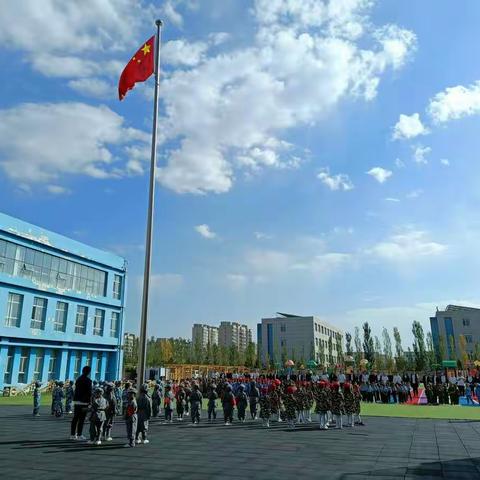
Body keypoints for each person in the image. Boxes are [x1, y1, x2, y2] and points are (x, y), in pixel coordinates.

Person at [70, 366, 93, 441]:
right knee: (81, 419)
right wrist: (90, 402)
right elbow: (89, 392)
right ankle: (79, 434)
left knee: (75, 418)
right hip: (84, 402)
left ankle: (72, 435)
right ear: (89, 372)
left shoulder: (78, 379)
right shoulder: (88, 381)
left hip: (76, 401)